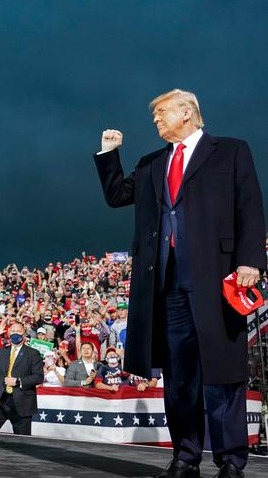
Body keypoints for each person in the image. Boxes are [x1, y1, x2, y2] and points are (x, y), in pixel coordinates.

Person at [94, 89, 265, 478]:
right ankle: (186, 457)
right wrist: (108, 153)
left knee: (223, 375)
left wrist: (251, 260)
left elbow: (249, 206)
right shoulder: (153, 162)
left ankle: (231, 461)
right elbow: (118, 195)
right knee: (179, 377)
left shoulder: (231, 151)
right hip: (167, 285)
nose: (155, 119)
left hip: (217, 281)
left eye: (162, 113)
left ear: (187, 113)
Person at [0, 322, 44, 435]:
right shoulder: (2, 352)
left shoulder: (33, 353)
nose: (15, 334)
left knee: (21, 442)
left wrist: (18, 381)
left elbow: (39, 377)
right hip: (0, 402)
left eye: (18, 332)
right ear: (8, 333)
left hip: (22, 404)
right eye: (13, 331)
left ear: (24, 334)